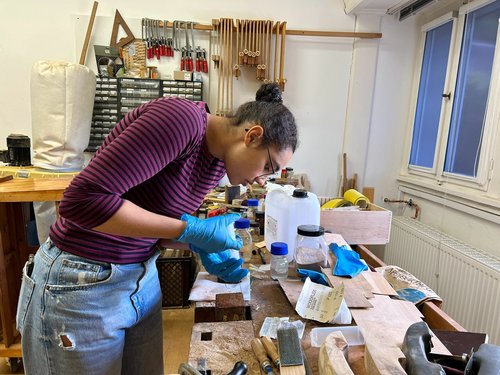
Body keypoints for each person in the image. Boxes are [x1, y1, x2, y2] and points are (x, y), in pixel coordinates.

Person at [16, 83, 298, 375]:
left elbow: (151, 226)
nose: (265, 180)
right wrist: (190, 230)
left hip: (140, 280)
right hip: (82, 284)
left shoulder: (216, 164)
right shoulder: (180, 120)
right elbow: (81, 202)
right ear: (252, 136)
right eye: (268, 166)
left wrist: (197, 244)